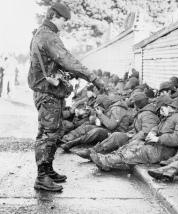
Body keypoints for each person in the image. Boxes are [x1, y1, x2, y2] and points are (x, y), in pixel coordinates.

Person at [28, 2, 104, 192]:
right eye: (64, 20)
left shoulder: (44, 34)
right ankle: (42, 177)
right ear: (54, 16)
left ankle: (48, 170)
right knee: (47, 134)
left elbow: (58, 63)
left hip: (50, 92)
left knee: (53, 132)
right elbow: (67, 60)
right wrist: (92, 77)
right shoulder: (48, 36)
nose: (65, 24)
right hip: (48, 94)